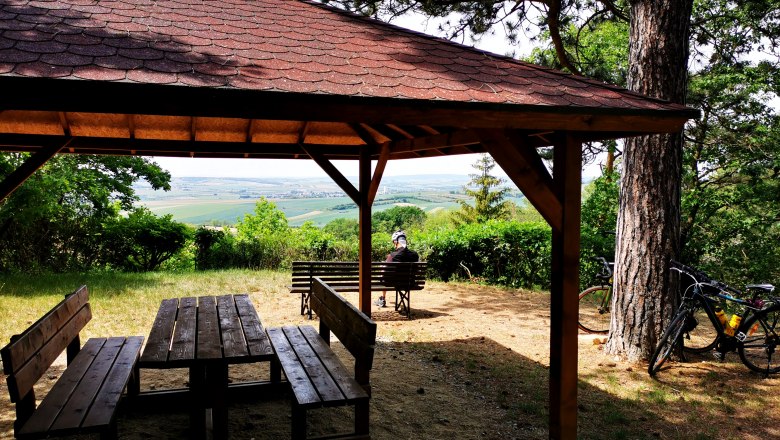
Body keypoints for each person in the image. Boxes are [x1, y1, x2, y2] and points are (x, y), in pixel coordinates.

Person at [375, 230, 419, 307]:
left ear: (395, 242)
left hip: (392, 283)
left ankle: (383, 299)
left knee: (383, 270)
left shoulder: (392, 256)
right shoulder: (415, 255)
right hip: (409, 282)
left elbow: (385, 273)